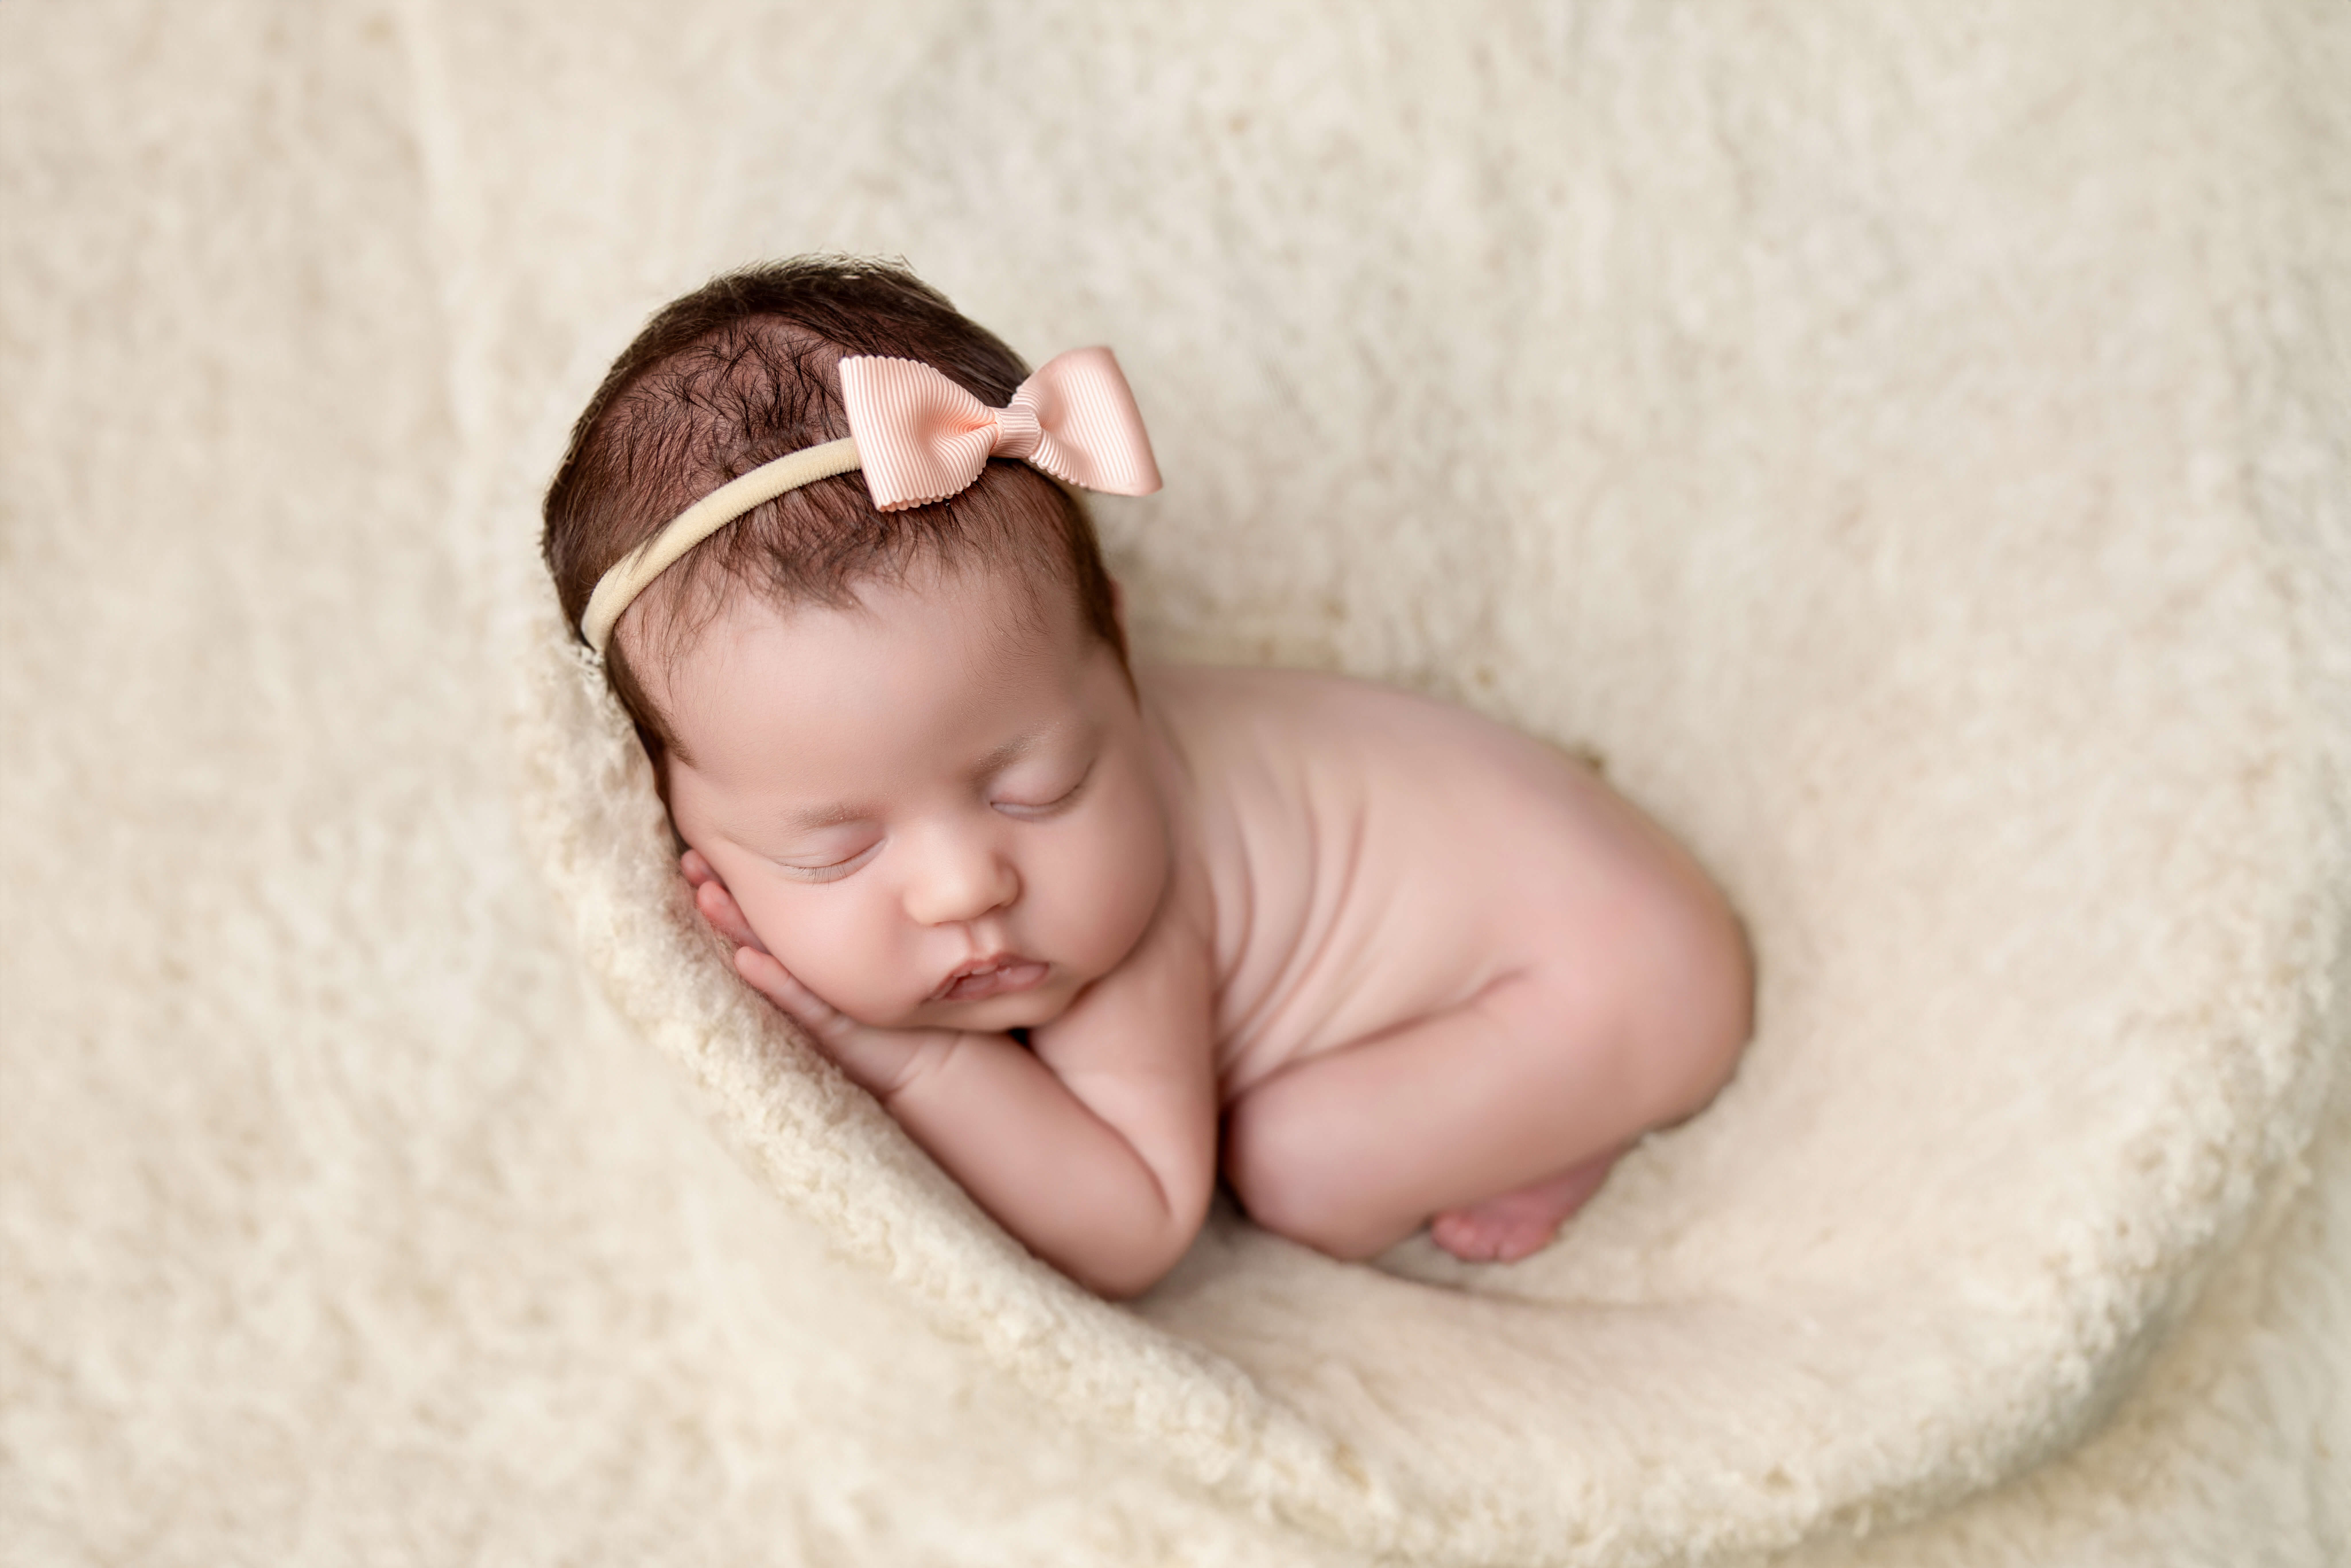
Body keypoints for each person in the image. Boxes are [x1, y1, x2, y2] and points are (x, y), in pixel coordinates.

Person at [542, 258, 1752, 1300]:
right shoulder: (1018, 820)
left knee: (1297, 1169)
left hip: (1616, 974)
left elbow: (1135, 1225)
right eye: (838, 848)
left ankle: (1572, 1118)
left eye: (1037, 788)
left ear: (1116, 647)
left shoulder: (1129, 909)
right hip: (1581, 906)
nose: (967, 885)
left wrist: (912, 1060)